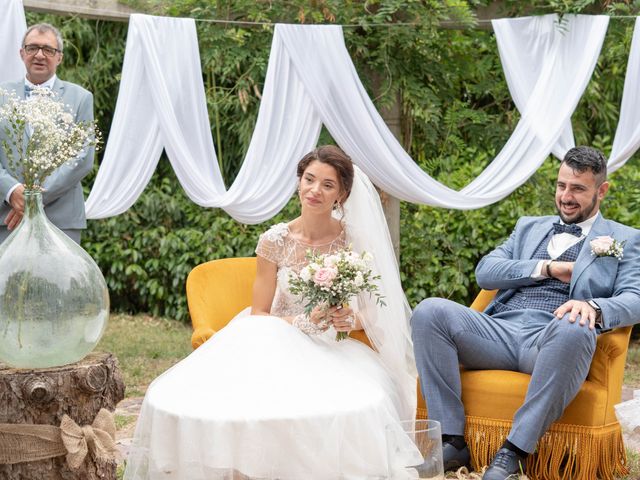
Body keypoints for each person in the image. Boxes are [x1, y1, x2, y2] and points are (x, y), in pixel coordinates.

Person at [124, 145, 417, 479]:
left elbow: (372, 309)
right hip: (272, 337)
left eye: (327, 185)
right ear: (298, 181)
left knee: (351, 402)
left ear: (342, 194)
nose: (314, 190)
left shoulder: (354, 241)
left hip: (331, 349)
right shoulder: (275, 240)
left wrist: (350, 319)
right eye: (309, 179)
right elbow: (259, 314)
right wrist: (305, 321)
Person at [411, 146, 640, 480]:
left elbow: (636, 298)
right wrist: (547, 268)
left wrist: (593, 306)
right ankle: (452, 440)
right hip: (497, 333)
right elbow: (486, 272)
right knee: (429, 311)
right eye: (562, 186)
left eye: (578, 189)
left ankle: (513, 451)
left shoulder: (625, 239)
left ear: (601, 191)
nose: (566, 196)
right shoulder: (528, 227)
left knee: (575, 325)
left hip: (553, 339)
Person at [0, 23, 95, 244]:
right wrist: (11, 190)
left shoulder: (81, 98)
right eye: (32, 48)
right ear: (22, 53)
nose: (40, 55)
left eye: (48, 50)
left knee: (57, 280)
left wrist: (32, 200)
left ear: (59, 57)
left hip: (60, 219)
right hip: (6, 218)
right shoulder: (1, 95)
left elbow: (83, 158)